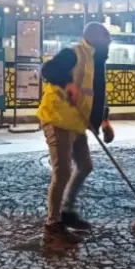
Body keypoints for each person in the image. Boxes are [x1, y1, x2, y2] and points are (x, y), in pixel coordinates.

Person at [37, 22, 116, 243]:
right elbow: (48, 70)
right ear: (93, 38)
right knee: (62, 171)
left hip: (77, 123)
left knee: (85, 166)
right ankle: (53, 222)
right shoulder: (73, 53)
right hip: (57, 118)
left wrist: (104, 121)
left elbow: (97, 94)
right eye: (106, 39)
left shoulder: (97, 61)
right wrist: (67, 83)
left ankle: (68, 211)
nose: (108, 43)